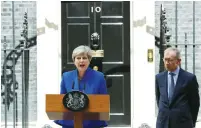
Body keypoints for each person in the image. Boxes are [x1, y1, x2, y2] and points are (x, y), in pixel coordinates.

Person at [54, 45, 108, 128]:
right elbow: (62, 101)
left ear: (89, 60)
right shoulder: (66, 77)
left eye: (84, 58)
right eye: (78, 58)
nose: (81, 61)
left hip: (92, 123)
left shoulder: (99, 77)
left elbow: (103, 103)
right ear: (74, 60)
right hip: (70, 123)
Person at [155, 47, 200, 128]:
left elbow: (195, 103)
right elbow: (159, 99)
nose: (167, 63)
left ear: (178, 61)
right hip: (163, 123)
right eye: (165, 59)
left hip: (183, 123)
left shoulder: (189, 78)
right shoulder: (159, 77)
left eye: (170, 60)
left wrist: (191, 123)